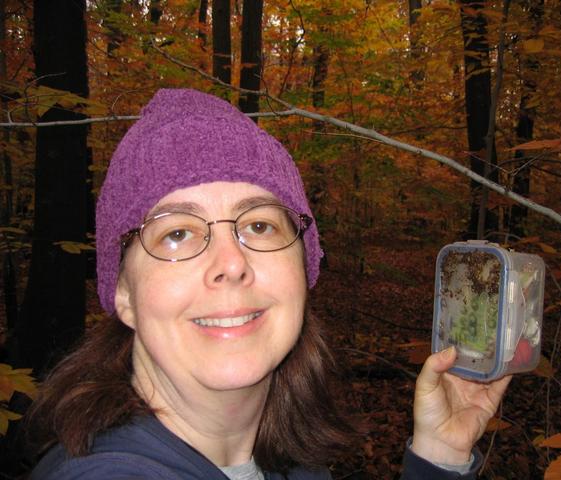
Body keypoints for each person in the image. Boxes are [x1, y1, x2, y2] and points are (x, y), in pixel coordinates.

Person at [26, 89, 510, 480]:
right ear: (124, 295)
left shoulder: (288, 462)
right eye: (177, 233)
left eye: (259, 225)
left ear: (306, 265)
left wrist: (438, 456)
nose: (231, 263)